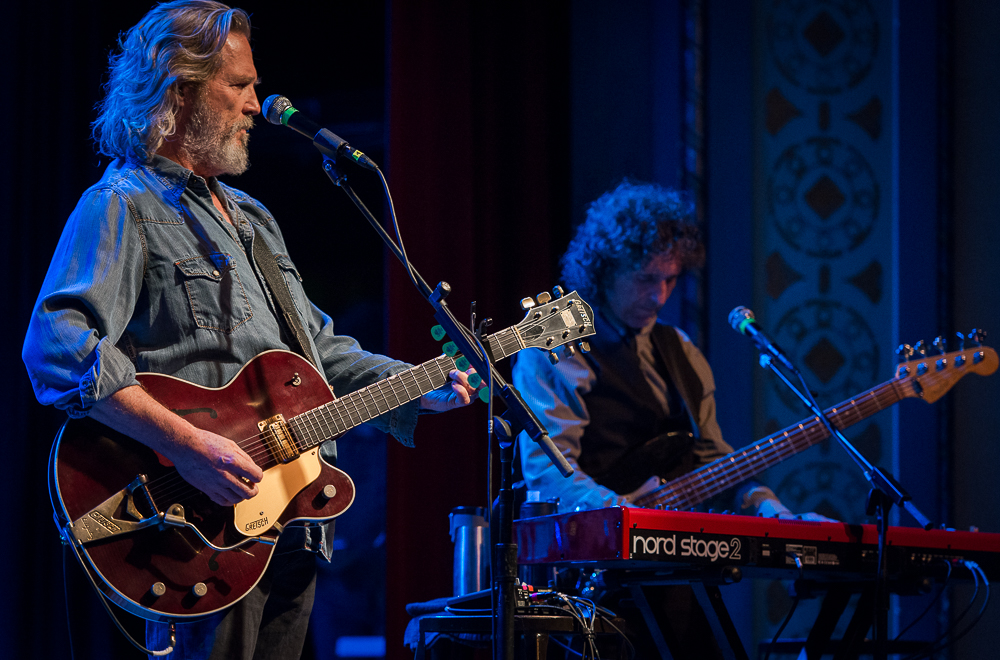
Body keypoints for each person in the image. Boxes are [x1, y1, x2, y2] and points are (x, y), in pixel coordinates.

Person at [21, 2, 476, 658]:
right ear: (179, 91)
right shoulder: (123, 204)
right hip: (195, 534)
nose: (257, 105)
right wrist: (187, 447)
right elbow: (57, 348)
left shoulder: (254, 221)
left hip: (290, 526)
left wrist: (414, 386)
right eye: (238, 86)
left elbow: (317, 353)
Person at [512, 179, 819, 658]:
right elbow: (550, 472)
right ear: (602, 271)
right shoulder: (553, 348)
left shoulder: (682, 352)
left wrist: (770, 508)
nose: (659, 296)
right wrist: (624, 518)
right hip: (586, 586)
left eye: (670, 279)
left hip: (677, 577)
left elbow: (714, 460)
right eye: (644, 279)